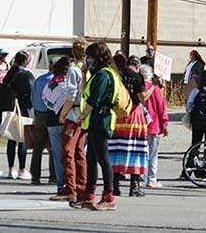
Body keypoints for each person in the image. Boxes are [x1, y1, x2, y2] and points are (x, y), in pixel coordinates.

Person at [71, 42, 121, 211]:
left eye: (90, 56)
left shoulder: (104, 75)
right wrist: (85, 73)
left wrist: (81, 116)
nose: (88, 59)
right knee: (91, 159)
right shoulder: (97, 73)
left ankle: (109, 195)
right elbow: (85, 91)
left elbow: (94, 100)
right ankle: (89, 193)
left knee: (103, 158)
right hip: (94, 121)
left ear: (98, 57)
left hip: (101, 120)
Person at [108, 55, 151, 199]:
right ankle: (134, 187)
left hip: (118, 115)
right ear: (138, 65)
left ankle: (115, 186)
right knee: (135, 150)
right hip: (134, 115)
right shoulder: (137, 77)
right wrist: (154, 87)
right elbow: (142, 98)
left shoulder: (116, 76)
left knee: (116, 149)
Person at [52, 38, 89, 203]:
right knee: (80, 152)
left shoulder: (74, 71)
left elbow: (71, 96)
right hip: (84, 114)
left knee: (67, 151)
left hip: (73, 115)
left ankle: (70, 188)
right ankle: (82, 186)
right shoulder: (88, 69)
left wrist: (62, 114)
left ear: (73, 52)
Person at [0, 50, 34, 180]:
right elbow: (31, 92)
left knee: (11, 138)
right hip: (23, 109)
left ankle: (10, 169)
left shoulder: (9, 73)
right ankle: (22, 169)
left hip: (9, 109)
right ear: (26, 61)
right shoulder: (26, 75)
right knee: (22, 139)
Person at [42, 57, 70, 197]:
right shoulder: (67, 83)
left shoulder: (51, 82)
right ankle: (69, 184)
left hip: (51, 121)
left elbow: (45, 99)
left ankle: (60, 184)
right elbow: (69, 99)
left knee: (57, 155)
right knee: (69, 155)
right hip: (66, 119)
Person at [30, 64, 57, 186]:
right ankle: (53, 176)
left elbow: (33, 97)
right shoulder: (55, 80)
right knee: (53, 146)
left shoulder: (39, 79)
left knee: (38, 146)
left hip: (39, 113)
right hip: (51, 113)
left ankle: (35, 176)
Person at [144, 63, 169, 188]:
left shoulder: (138, 87)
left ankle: (137, 176)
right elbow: (161, 107)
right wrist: (165, 124)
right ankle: (151, 178)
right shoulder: (154, 89)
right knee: (152, 153)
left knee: (140, 151)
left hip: (139, 124)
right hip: (153, 125)